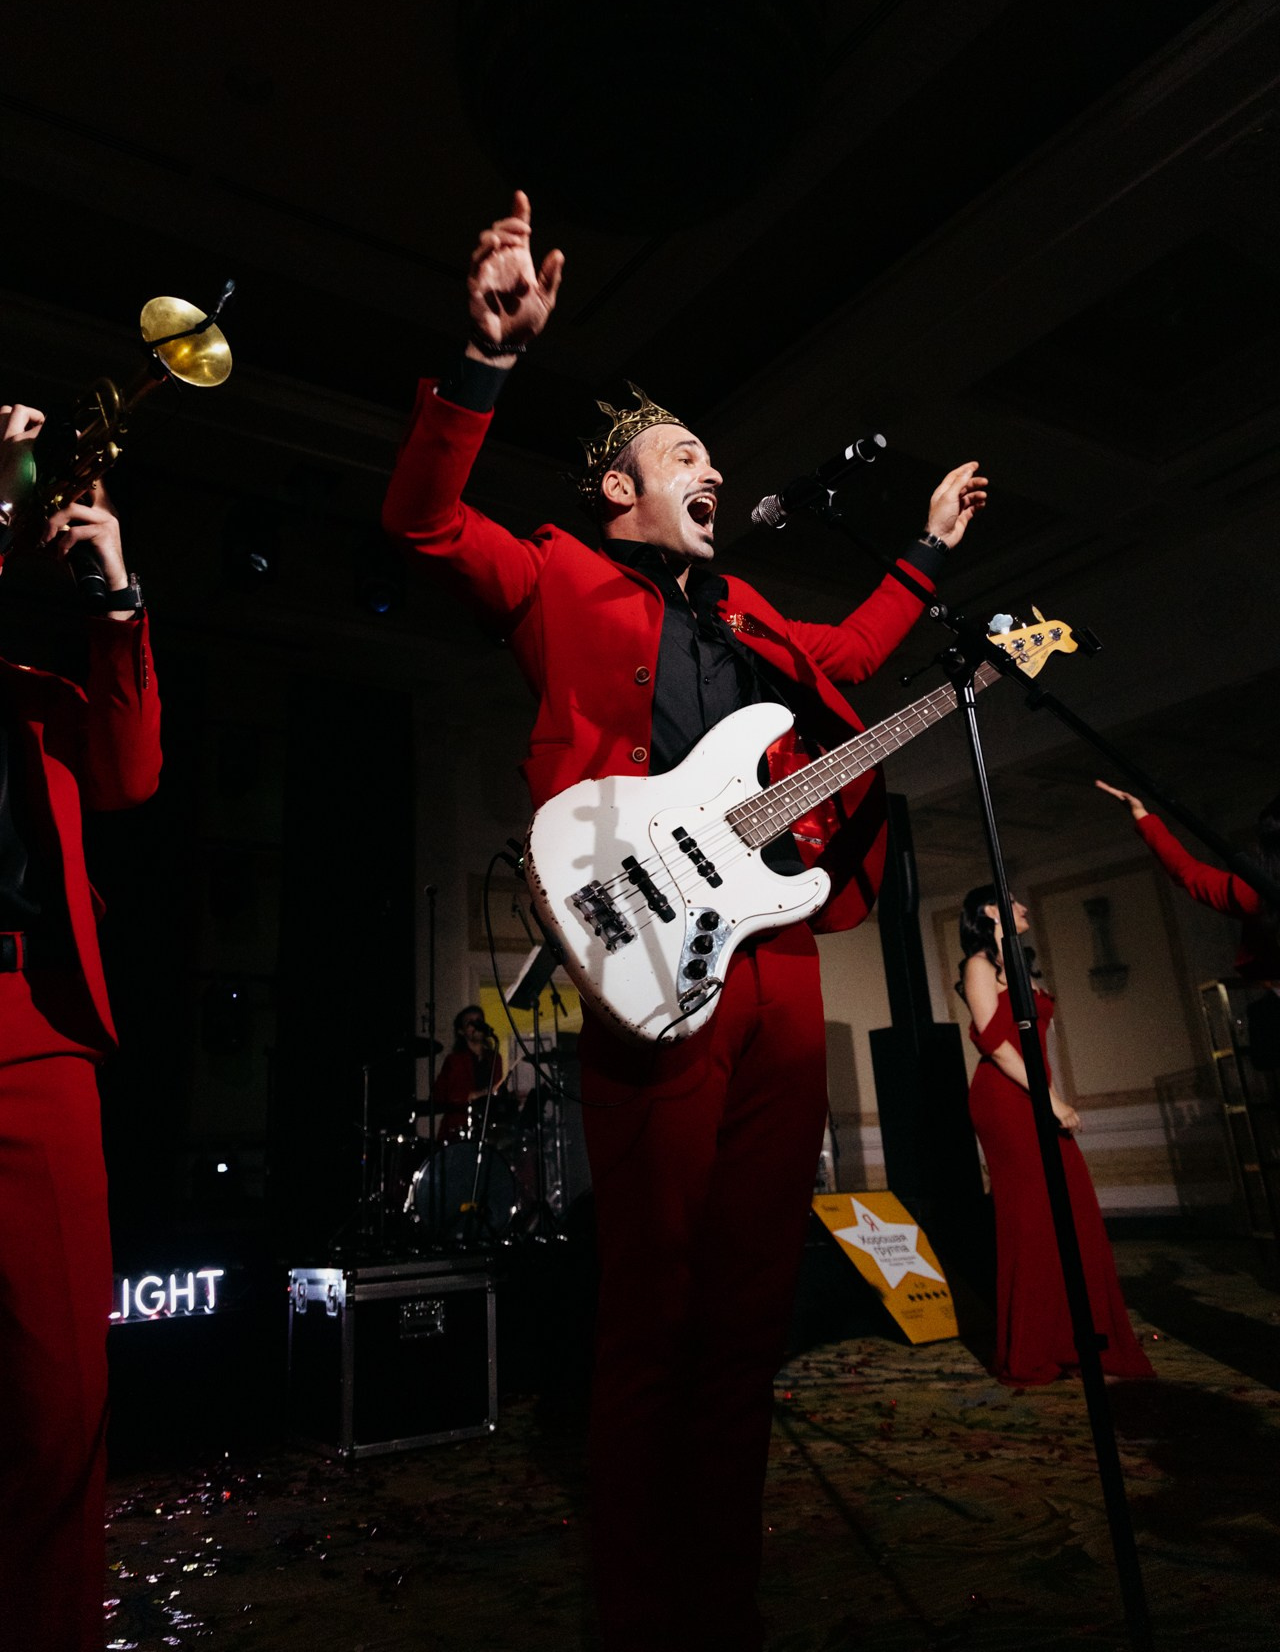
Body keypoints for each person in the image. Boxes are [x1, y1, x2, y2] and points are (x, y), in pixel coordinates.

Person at [383, 190, 987, 1652]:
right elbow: (421, 524)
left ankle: (722, 1598)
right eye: (685, 455)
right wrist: (484, 360)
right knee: (653, 1308)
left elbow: (847, 661)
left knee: (748, 1306)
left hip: (775, 964)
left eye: (713, 455)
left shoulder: (753, 615)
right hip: (648, 959)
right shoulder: (559, 572)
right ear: (620, 490)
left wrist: (924, 552)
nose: (715, 468)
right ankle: (641, 1608)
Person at [0, 404, 162, 1652]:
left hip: (31, 1026)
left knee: (61, 1398)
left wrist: (114, 596)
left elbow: (129, 774)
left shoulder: (36, 691)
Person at [957, 884, 1153, 1387]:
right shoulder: (979, 965)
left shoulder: (1020, 965)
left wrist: (1053, 1096)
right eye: (1012, 901)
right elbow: (995, 1044)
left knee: (1072, 1209)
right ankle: (1033, 1346)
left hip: (1035, 1091)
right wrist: (1052, 1101)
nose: (1024, 908)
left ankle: (1078, 1338)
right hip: (1004, 1099)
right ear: (989, 911)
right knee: (1031, 1218)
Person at [1096, 781, 1280, 1066]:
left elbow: (1187, 872)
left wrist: (1142, 815)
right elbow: (1188, 873)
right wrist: (1142, 817)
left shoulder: (1255, 896)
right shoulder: (1255, 896)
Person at [433, 1004, 506, 1140]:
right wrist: (476, 1095)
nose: (476, 1026)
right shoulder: (454, 1060)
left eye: (479, 1021)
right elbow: (442, 1096)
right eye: (470, 1023)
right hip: (459, 1129)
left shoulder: (495, 1058)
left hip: (487, 1129)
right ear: (461, 1031)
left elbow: (496, 1092)